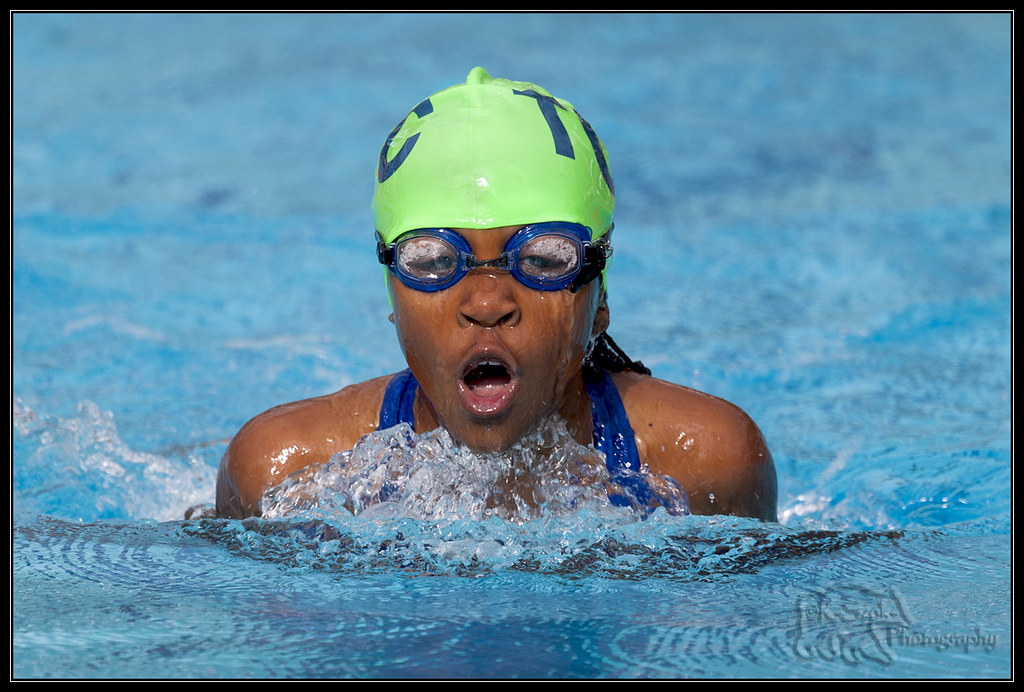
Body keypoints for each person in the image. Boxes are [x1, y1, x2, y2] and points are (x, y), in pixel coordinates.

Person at [215, 67, 777, 521]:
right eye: (433, 260)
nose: (486, 303)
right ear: (392, 292)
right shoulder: (284, 478)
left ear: (598, 296)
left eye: (543, 259)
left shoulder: (709, 464)